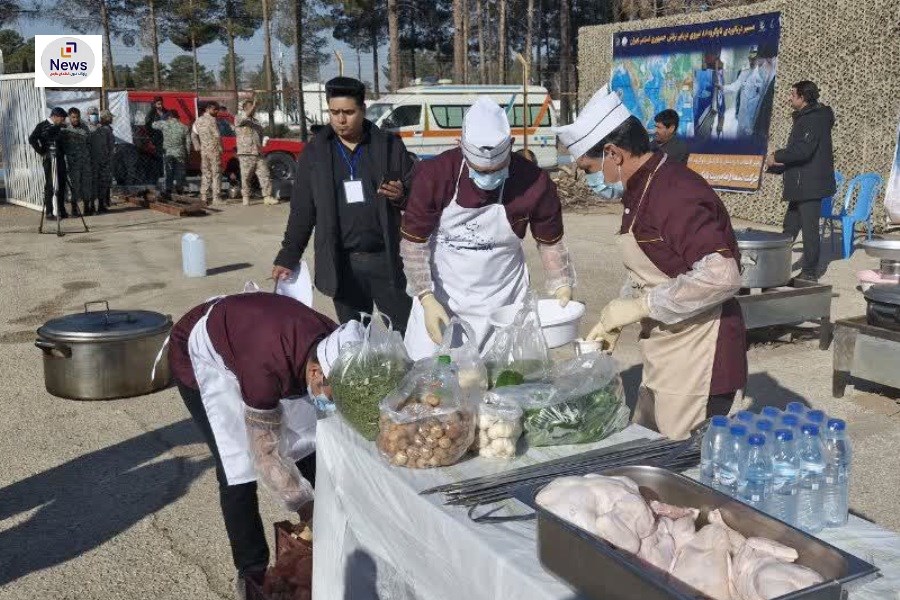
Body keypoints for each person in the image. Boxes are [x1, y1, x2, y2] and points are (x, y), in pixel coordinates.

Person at [556, 85, 747, 440]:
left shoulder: (673, 192)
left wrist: (643, 305)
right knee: (648, 443)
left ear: (613, 153)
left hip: (700, 352)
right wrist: (621, 310)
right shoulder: (640, 189)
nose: (589, 179)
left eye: (588, 168)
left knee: (682, 465)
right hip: (668, 346)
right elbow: (656, 265)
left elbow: (722, 276)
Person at [168, 289, 364, 599]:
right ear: (316, 372)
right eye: (334, 394)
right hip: (203, 355)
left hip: (254, 337)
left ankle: (335, 528)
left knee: (306, 441)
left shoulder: (331, 341)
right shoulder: (265, 373)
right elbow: (266, 452)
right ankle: (251, 570)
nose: (335, 402)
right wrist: (303, 504)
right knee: (237, 467)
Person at [400, 97, 576, 360]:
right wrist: (425, 297)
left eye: (497, 169)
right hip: (444, 300)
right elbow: (414, 244)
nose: (488, 178)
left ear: (511, 147)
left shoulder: (534, 182)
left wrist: (561, 283)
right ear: (460, 146)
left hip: (503, 300)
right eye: (479, 169)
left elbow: (550, 243)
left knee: (504, 384)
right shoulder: (435, 175)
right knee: (434, 386)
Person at [272, 77, 416, 332]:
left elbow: (416, 192)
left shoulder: (388, 146)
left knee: (405, 332)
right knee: (353, 338)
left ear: (362, 110)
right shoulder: (315, 153)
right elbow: (303, 210)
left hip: (386, 261)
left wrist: (402, 195)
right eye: (334, 112)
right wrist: (288, 255)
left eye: (348, 112)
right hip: (342, 263)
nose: (340, 120)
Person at [765, 81, 836, 282]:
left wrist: (776, 155)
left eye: (792, 94)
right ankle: (777, 266)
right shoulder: (807, 117)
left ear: (802, 98)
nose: (789, 98)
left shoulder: (813, 119)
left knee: (810, 230)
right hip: (800, 183)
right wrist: (777, 165)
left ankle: (810, 273)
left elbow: (803, 151)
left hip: (809, 185)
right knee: (789, 228)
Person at [28, 106, 68, 220]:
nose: (63, 120)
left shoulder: (60, 127)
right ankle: (49, 212)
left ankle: (61, 210)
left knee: (62, 184)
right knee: (50, 185)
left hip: (60, 158)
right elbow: (32, 139)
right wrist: (41, 151)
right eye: (62, 118)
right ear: (55, 116)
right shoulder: (42, 126)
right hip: (49, 159)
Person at [236, 99, 277, 206]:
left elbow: (260, 135)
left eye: (253, 107)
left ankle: (267, 196)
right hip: (246, 152)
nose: (253, 109)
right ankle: (246, 197)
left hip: (258, 152)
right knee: (246, 176)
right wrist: (254, 105)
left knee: (265, 174)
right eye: (250, 106)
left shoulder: (256, 121)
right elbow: (246, 116)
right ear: (244, 108)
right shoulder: (239, 117)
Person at [152, 110, 191, 197]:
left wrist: (162, 118)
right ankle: (179, 189)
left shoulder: (165, 124)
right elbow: (188, 143)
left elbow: (153, 124)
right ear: (178, 117)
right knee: (179, 172)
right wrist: (187, 155)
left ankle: (168, 190)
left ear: (169, 117)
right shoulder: (184, 127)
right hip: (180, 153)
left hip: (168, 153)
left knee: (168, 172)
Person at [62, 107, 93, 216]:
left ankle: (86, 207)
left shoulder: (85, 128)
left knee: (86, 184)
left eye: (77, 117)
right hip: (73, 163)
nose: (75, 119)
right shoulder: (65, 129)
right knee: (74, 186)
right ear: (69, 117)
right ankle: (74, 208)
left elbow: (89, 143)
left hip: (85, 162)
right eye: (73, 117)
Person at [87, 107, 115, 214]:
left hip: (103, 161)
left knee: (103, 183)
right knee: (92, 184)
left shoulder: (104, 129)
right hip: (91, 161)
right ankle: (91, 205)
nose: (93, 116)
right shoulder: (86, 128)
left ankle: (101, 205)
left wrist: (108, 157)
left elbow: (110, 145)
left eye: (95, 114)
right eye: (91, 114)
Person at [195, 101, 223, 206]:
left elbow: (194, 134)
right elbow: (217, 136)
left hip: (204, 151)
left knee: (206, 173)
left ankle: (204, 196)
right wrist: (220, 148)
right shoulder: (212, 120)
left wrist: (198, 146)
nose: (217, 112)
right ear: (208, 109)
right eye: (215, 109)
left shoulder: (198, 120)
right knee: (216, 173)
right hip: (214, 150)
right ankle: (216, 197)